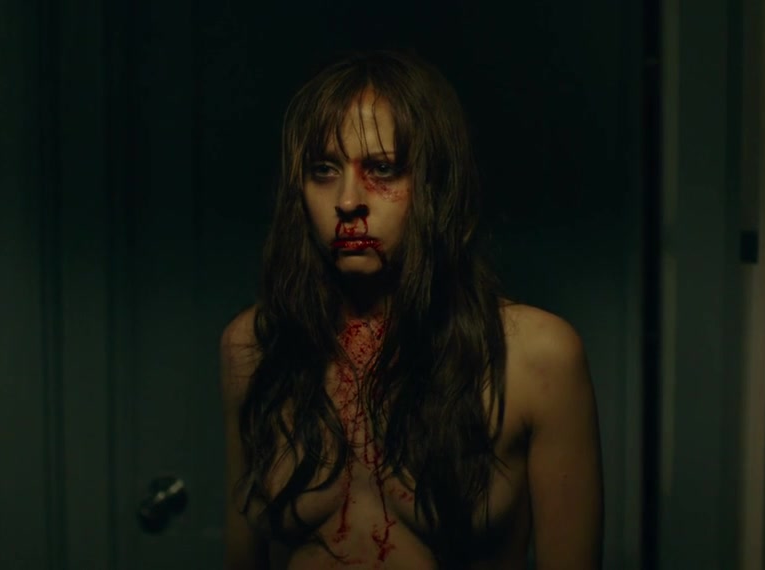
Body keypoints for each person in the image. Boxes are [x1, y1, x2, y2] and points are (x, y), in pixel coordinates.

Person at [221, 50, 604, 569]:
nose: (348, 201)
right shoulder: (254, 345)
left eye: (382, 169)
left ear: (435, 184)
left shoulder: (535, 356)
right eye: (323, 170)